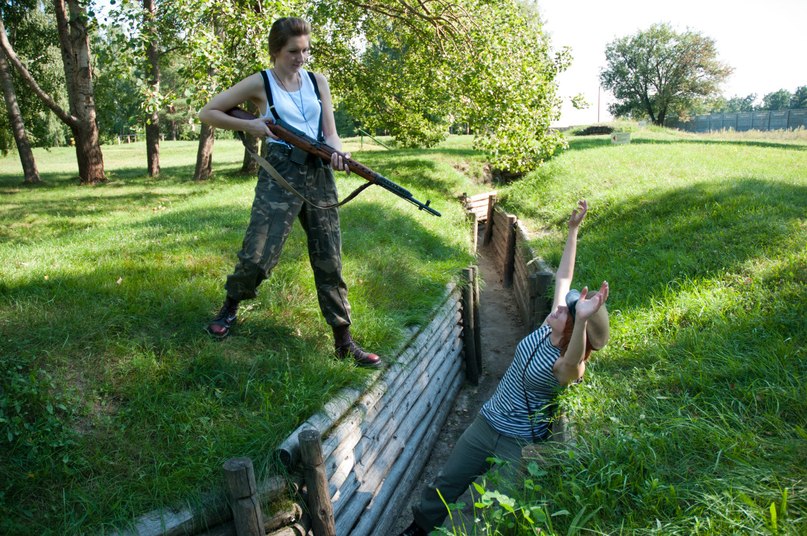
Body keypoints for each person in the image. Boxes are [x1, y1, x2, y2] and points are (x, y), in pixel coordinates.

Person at [398, 200, 610, 535]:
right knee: (445, 483)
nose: (560, 306)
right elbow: (564, 278)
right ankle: (417, 528)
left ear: (573, 328)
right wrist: (573, 231)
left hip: (516, 443)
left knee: (487, 513)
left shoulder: (567, 365)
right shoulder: (547, 326)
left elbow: (572, 364)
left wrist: (582, 320)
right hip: (487, 420)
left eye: (567, 312)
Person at [198, 17, 381, 368]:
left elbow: (330, 132)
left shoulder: (317, 82)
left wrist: (338, 153)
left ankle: (343, 340)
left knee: (329, 258)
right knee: (257, 253)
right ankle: (230, 307)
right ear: (276, 51)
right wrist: (250, 124)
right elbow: (208, 111)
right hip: (280, 172)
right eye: (293, 51)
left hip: (319, 172)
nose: (301, 57)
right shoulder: (260, 82)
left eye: (306, 50)